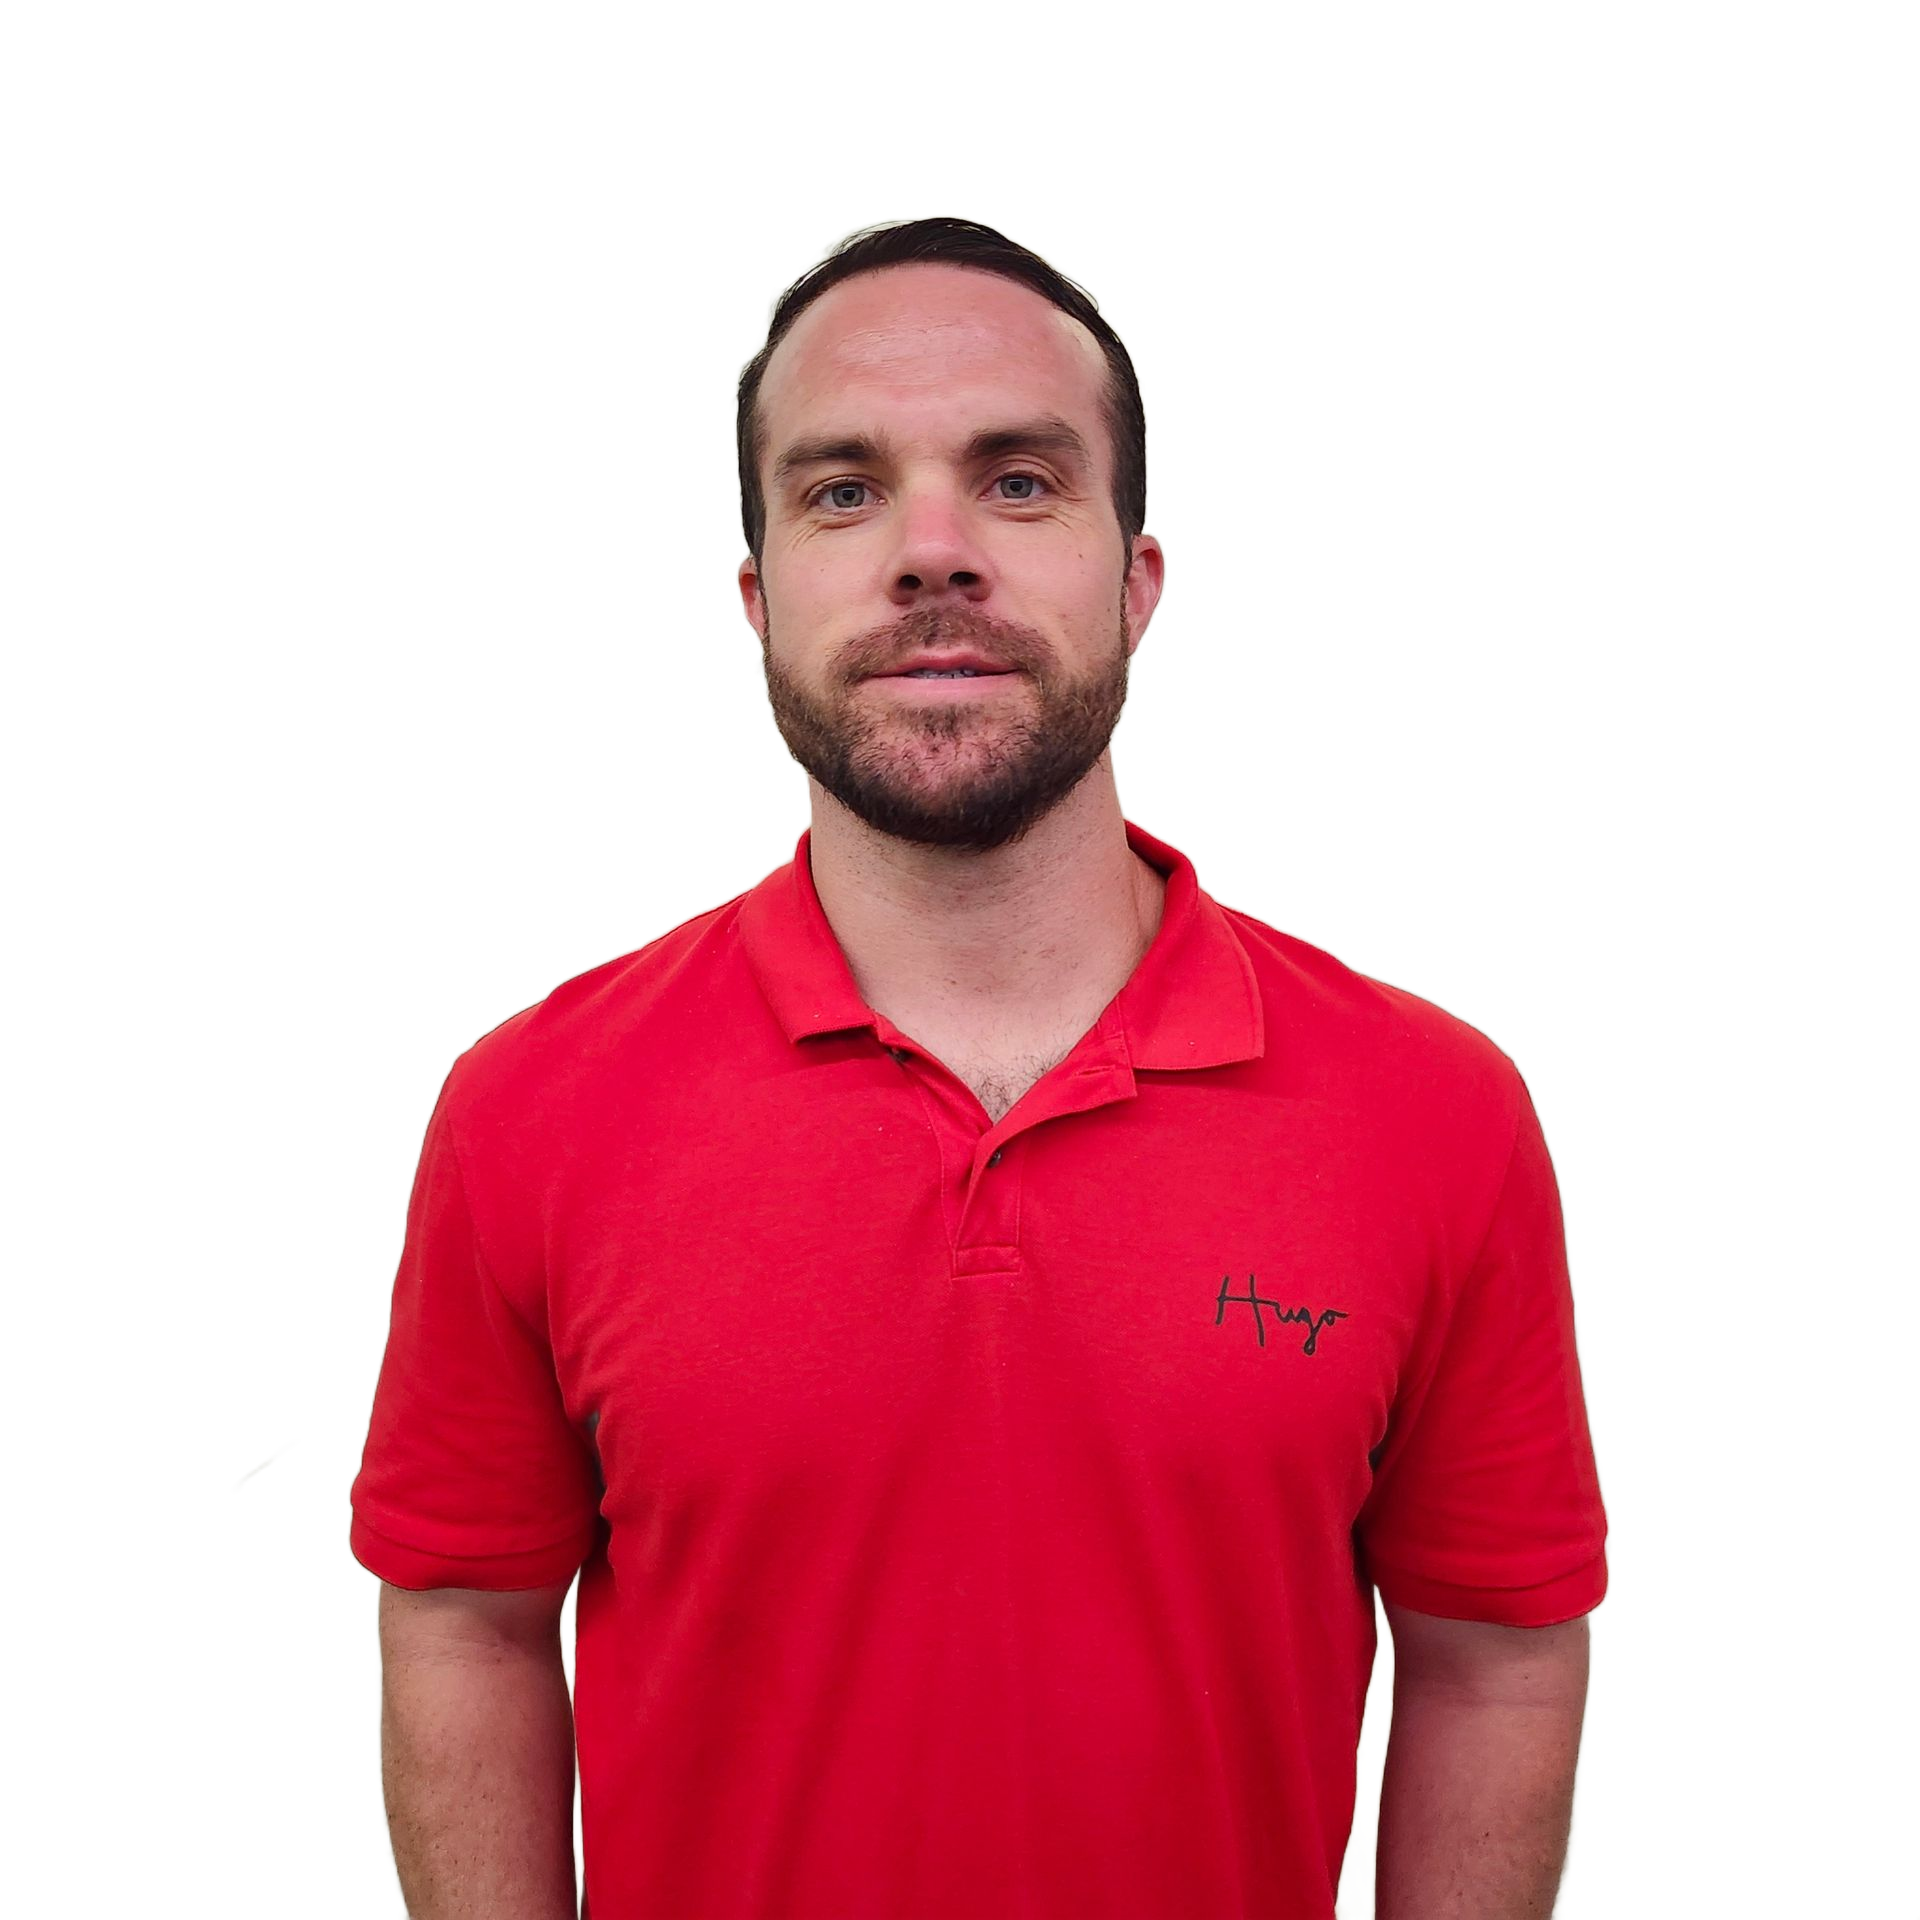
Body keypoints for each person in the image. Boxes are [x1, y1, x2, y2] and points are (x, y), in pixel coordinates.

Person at [347, 213, 1612, 1919]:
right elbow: (468, 1620)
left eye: (1018, 482)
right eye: (843, 489)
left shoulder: (1440, 1115)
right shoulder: (525, 1110)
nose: (934, 551)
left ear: (1139, 575)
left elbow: (1492, 1656)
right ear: (755, 596)